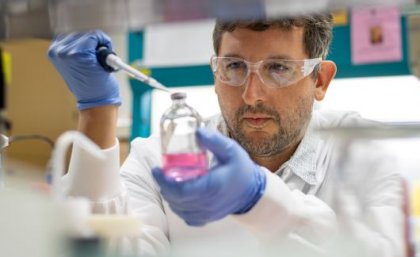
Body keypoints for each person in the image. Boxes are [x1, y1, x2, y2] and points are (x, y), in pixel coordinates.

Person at [48, 13, 405, 257]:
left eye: (278, 68)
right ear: (215, 70)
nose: (252, 95)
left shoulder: (361, 153)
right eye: (234, 67)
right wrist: (97, 110)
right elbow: (103, 248)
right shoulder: (160, 159)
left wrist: (261, 199)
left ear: (320, 80)